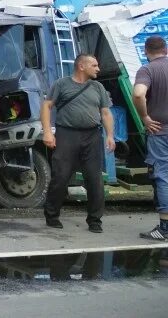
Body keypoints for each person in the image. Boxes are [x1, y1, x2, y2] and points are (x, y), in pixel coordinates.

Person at [41, 54, 116, 233]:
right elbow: (46, 106)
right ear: (81, 66)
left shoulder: (98, 87)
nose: (98, 68)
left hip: (92, 136)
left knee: (95, 179)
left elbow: (105, 113)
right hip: (67, 134)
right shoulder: (61, 84)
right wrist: (47, 132)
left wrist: (110, 135)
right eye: (94, 65)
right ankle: (52, 215)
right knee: (61, 177)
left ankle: (95, 221)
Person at [133, 35, 168, 242]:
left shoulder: (148, 70)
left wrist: (145, 117)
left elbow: (138, 94)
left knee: (163, 175)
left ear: (146, 51)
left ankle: (165, 228)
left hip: (160, 132)